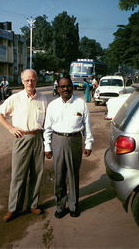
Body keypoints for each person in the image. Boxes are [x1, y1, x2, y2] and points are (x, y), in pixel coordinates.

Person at [0, 69, 47, 222]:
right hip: (22, 138)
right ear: (22, 81)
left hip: (38, 137)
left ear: (36, 80)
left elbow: (46, 121)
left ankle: (33, 204)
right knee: (18, 175)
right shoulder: (15, 98)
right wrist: (10, 128)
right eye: (27, 80)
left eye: (33, 80)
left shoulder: (43, 98)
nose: (30, 83)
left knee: (37, 173)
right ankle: (13, 208)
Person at [44, 75, 94, 219]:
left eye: (68, 86)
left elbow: (87, 126)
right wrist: (47, 146)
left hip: (75, 141)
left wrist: (88, 143)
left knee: (73, 175)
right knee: (59, 176)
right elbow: (47, 128)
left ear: (72, 86)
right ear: (58, 88)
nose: (65, 89)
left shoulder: (81, 103)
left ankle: (73, 206)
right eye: (62, 86)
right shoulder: (53, 105)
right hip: (58, 140)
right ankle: (60, 206)